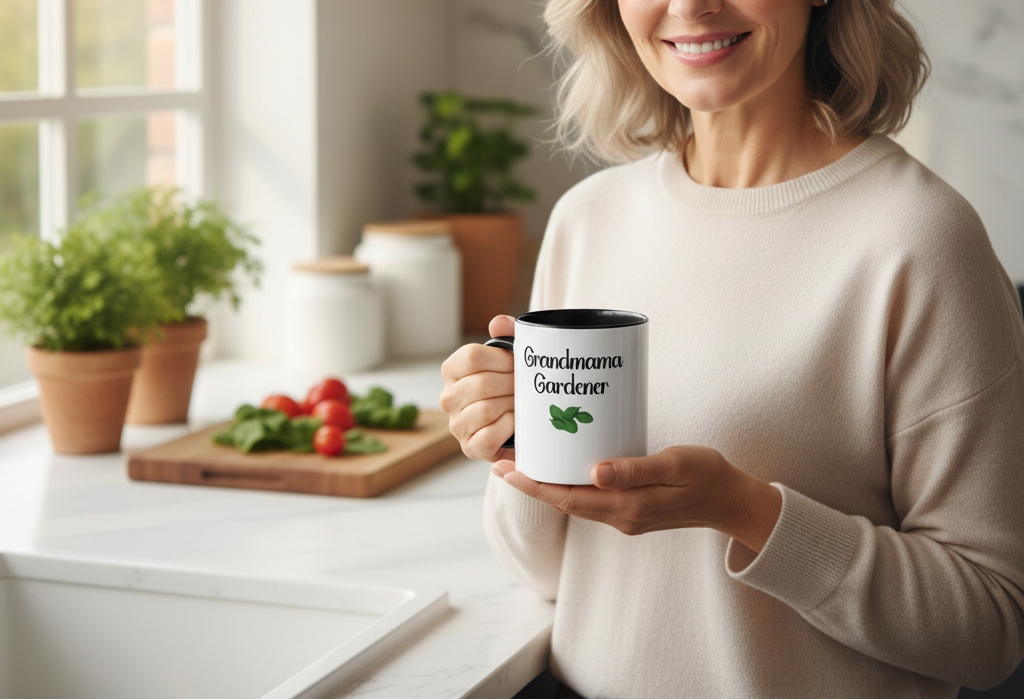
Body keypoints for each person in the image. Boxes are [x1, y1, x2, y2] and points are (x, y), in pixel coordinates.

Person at [439, 0, 1024, 696]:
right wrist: (513, 438)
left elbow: (990, 629)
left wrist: (745, 511)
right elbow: (550, 576)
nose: (690, 6)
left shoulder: (920, 240)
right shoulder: (589, 219)